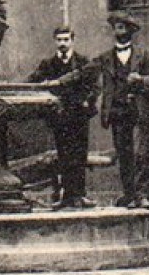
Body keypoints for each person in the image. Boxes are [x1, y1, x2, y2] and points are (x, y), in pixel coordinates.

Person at [93, 11, 149, 208]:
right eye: (116, 25)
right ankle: (128, 194)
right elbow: (88, 77)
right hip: (117, 113)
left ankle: (141, 195)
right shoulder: (105, 58)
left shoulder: (143, 56)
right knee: (123, 155)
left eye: (123, 24)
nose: (119, 27)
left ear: (131, 30)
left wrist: (141, 79)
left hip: (139, 112)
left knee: (141, 154)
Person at [27, 26, 97, 208]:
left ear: (72, 40)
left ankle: (80, 195)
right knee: (64, 155)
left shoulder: (83, 62)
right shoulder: (48, 65)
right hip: (59, 117)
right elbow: (32, 82)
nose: (63, 43)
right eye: (59, 40)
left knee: (80, 155)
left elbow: (95, 87)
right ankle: (66, 197)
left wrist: (87, 101)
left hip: (79, 116)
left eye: (66, 39)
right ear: (55, 41)